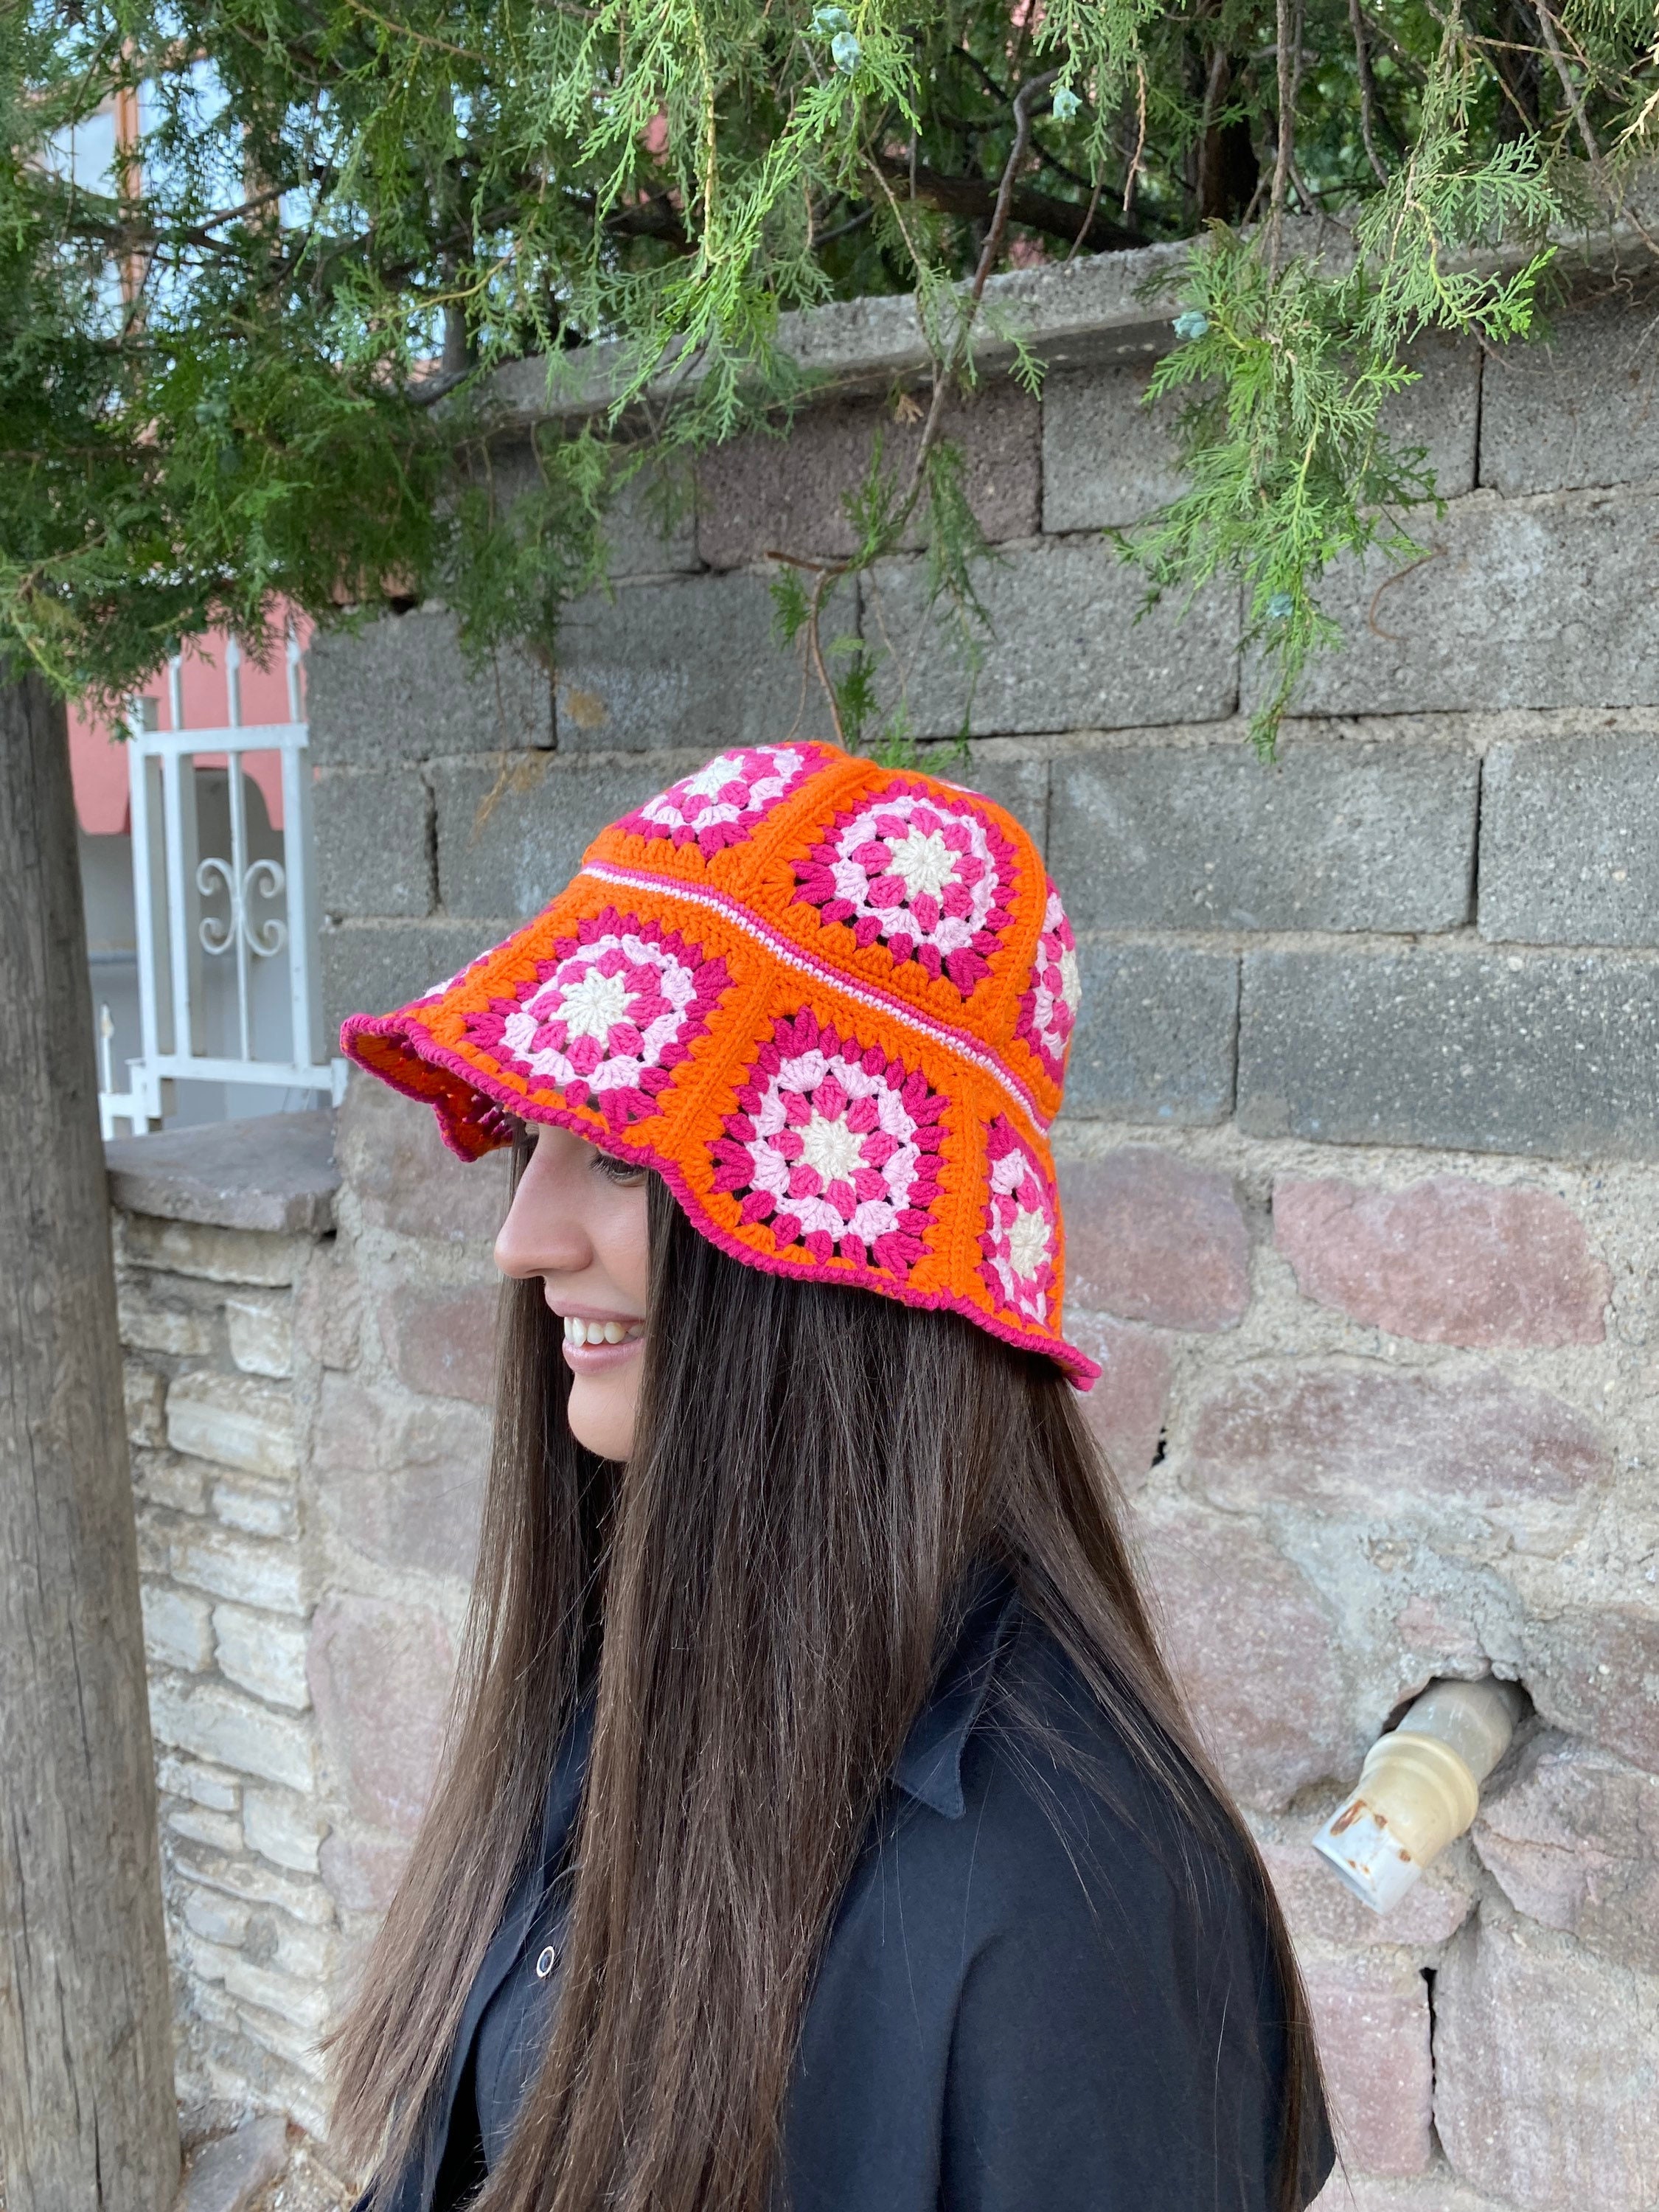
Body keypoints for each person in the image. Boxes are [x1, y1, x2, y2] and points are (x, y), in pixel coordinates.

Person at [330, 742, 1333, 2212]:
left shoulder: (1074, 1903)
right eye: (538, 1136)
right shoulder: (652, 1656)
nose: (519, 1238)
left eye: (619, 1151)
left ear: (843, 1257)